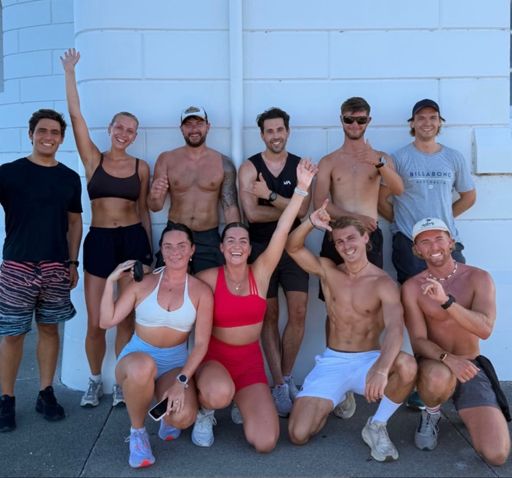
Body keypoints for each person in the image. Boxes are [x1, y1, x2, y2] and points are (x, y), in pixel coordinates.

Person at [190, 159, 317, 453]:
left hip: (249, 367)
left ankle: (240, 399)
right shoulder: (207, 278)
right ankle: (206, 410)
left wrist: (301, 189)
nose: (237, 245)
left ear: (249, 249)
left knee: (266, 441)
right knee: (218, 393)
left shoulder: (259, 274)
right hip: (214, 362)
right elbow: (177, 294)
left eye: (243, 241)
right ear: (222, 248)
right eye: (230, 240)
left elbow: (281, 232)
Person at [285, 205, 417, 462]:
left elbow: (395, 328)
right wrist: (310, 221)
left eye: (351, 238)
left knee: (407, 365)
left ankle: (377, 425)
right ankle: (337, 396)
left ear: (365, 237)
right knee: (298, 434)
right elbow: (293, 247)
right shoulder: (328, 271)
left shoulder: (383, 283)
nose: (346, 246)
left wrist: (381, 369)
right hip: (333, 361)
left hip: (368, 361)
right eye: (340, 241)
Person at [61, 48, 153, 408]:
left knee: (126, 318)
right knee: (97, 322)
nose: (124, 134)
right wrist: (70, 72)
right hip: (99, 241)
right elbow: (75, 116)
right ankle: (94, 379)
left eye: (130, 130)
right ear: (110, 129)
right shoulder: (93, 159)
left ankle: (120, 381)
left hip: (132, 240)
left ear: (134, 135)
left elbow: (143, 211)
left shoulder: (141, 167)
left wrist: (149, 252)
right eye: (119, 127)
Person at [99, 223, 213, 468]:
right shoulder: (144, 283)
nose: (175, 252)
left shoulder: (201, 291)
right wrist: (110, 281)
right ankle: (138, 433)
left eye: (182, 246)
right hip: (137, 358)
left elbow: (201, 344)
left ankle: (166, 416)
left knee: (183, 418)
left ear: (192, 250)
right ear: (161, 250)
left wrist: (181, 382)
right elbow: (106, 321)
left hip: (174, 363)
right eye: (168, 246)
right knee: (143, 366)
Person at [402, 217, 510, 466]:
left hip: (470, 364)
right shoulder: (412, 287)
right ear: (417, 250)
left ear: (451, 242)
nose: (434, 246)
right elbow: (418, 341)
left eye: (439, 238)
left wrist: (446, 302)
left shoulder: (478, 278)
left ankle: (467, 404)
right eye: (425, 242)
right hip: (435, 364)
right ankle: (432, 413)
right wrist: (448, 359)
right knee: (438, 376)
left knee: (496, 454)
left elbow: (484, 330)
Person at [0, 109, 82, 432]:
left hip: (56, 266)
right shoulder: (9, 173)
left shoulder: (69, 178)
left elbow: (74, 222)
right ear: (31, 134)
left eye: (54, 132)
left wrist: (72, 262)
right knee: (13, 334)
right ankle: (6, 399)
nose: (48, 137)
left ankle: (45, 393)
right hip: (17, 265)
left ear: (61, 138)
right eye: (42, 131)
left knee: (49, 330)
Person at [238, 107, 310, 417]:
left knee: (299, 312)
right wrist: (289, 207)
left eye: (280, 130)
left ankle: (288, 375)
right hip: (261, 249)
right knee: (269, 315)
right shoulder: (249, 168)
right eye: (270, 131)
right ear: (262, 135)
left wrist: (269, 195)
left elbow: (304, 212)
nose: (275, 136)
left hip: (294, 248)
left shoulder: (301, 167)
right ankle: (278, 384)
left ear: (287, 132)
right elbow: (252, 215)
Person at [378, 99, 476, 285]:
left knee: (456, 291)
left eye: (433, 118)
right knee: (414, 294)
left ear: (439, 122)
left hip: (446, 240)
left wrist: (442, 219)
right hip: (409, 241)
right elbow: (381, 200)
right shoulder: (398, 158)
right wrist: (404, 223)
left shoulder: (454, 157)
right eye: (421, 118)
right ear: (412, 123)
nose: (427, 122)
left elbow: (469, 197)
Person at [314, 96, 404, 271]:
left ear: (368, 121)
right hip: (337, 233)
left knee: (370, 285)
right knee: (334, 285)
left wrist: (378, 164)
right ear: (341, 119)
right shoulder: (328, 161)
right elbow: (320, 204)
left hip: (368, 234)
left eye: (361, 120)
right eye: (349, 119)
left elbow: (398, 189)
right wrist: (357, 218)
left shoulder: (381, 158)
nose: (355, 125)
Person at [148, 106, 241, 273]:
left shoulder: (223, 163)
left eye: (199, 124)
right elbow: (155, 206)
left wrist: (235, 240)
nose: (194, 129)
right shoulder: (166, 159)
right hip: (175, 233)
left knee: (210, 286)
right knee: (168, 286)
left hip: (208, 237)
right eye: (188, 124)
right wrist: (154, 195)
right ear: (181, 129)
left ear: (208, 126)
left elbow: (230, 207)